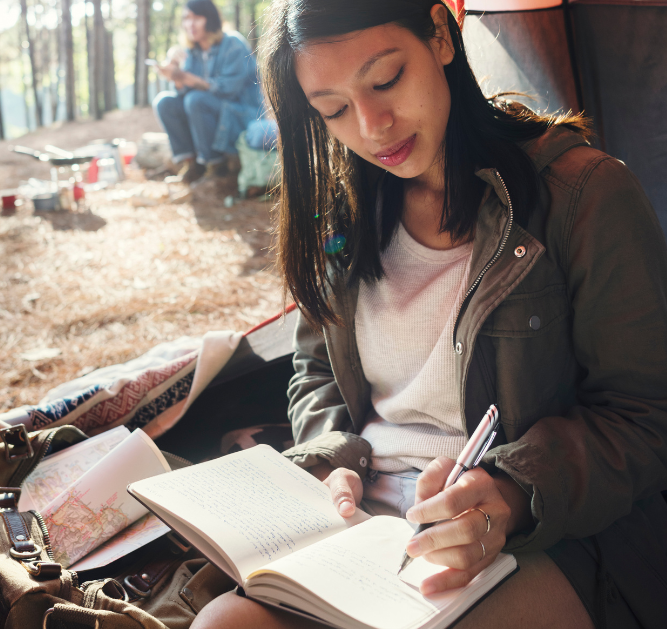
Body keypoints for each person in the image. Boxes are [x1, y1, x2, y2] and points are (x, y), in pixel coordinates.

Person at [191, 1, 667, 628]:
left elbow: (644, 416)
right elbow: (316, 372)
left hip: (542, 531)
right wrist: (334, 457)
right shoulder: (342, 210)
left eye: (386, 79)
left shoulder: (584, 195)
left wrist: (511, 494)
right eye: (333, 109)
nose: (372, 125)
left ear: (441, 35)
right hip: (362, 528)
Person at [153, 0, 263, 184]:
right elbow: (182, 94)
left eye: (197, 18)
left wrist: (183, 76)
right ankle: (193, 165)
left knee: (196, 100)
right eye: (186, 18)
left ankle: (216, 167)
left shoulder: (233, 44)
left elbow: (227, 89)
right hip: (208, 113)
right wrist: (174, 71)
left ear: (210, 19)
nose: (190, 24)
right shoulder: (191, 51)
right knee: (165, 102)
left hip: (240, 115)